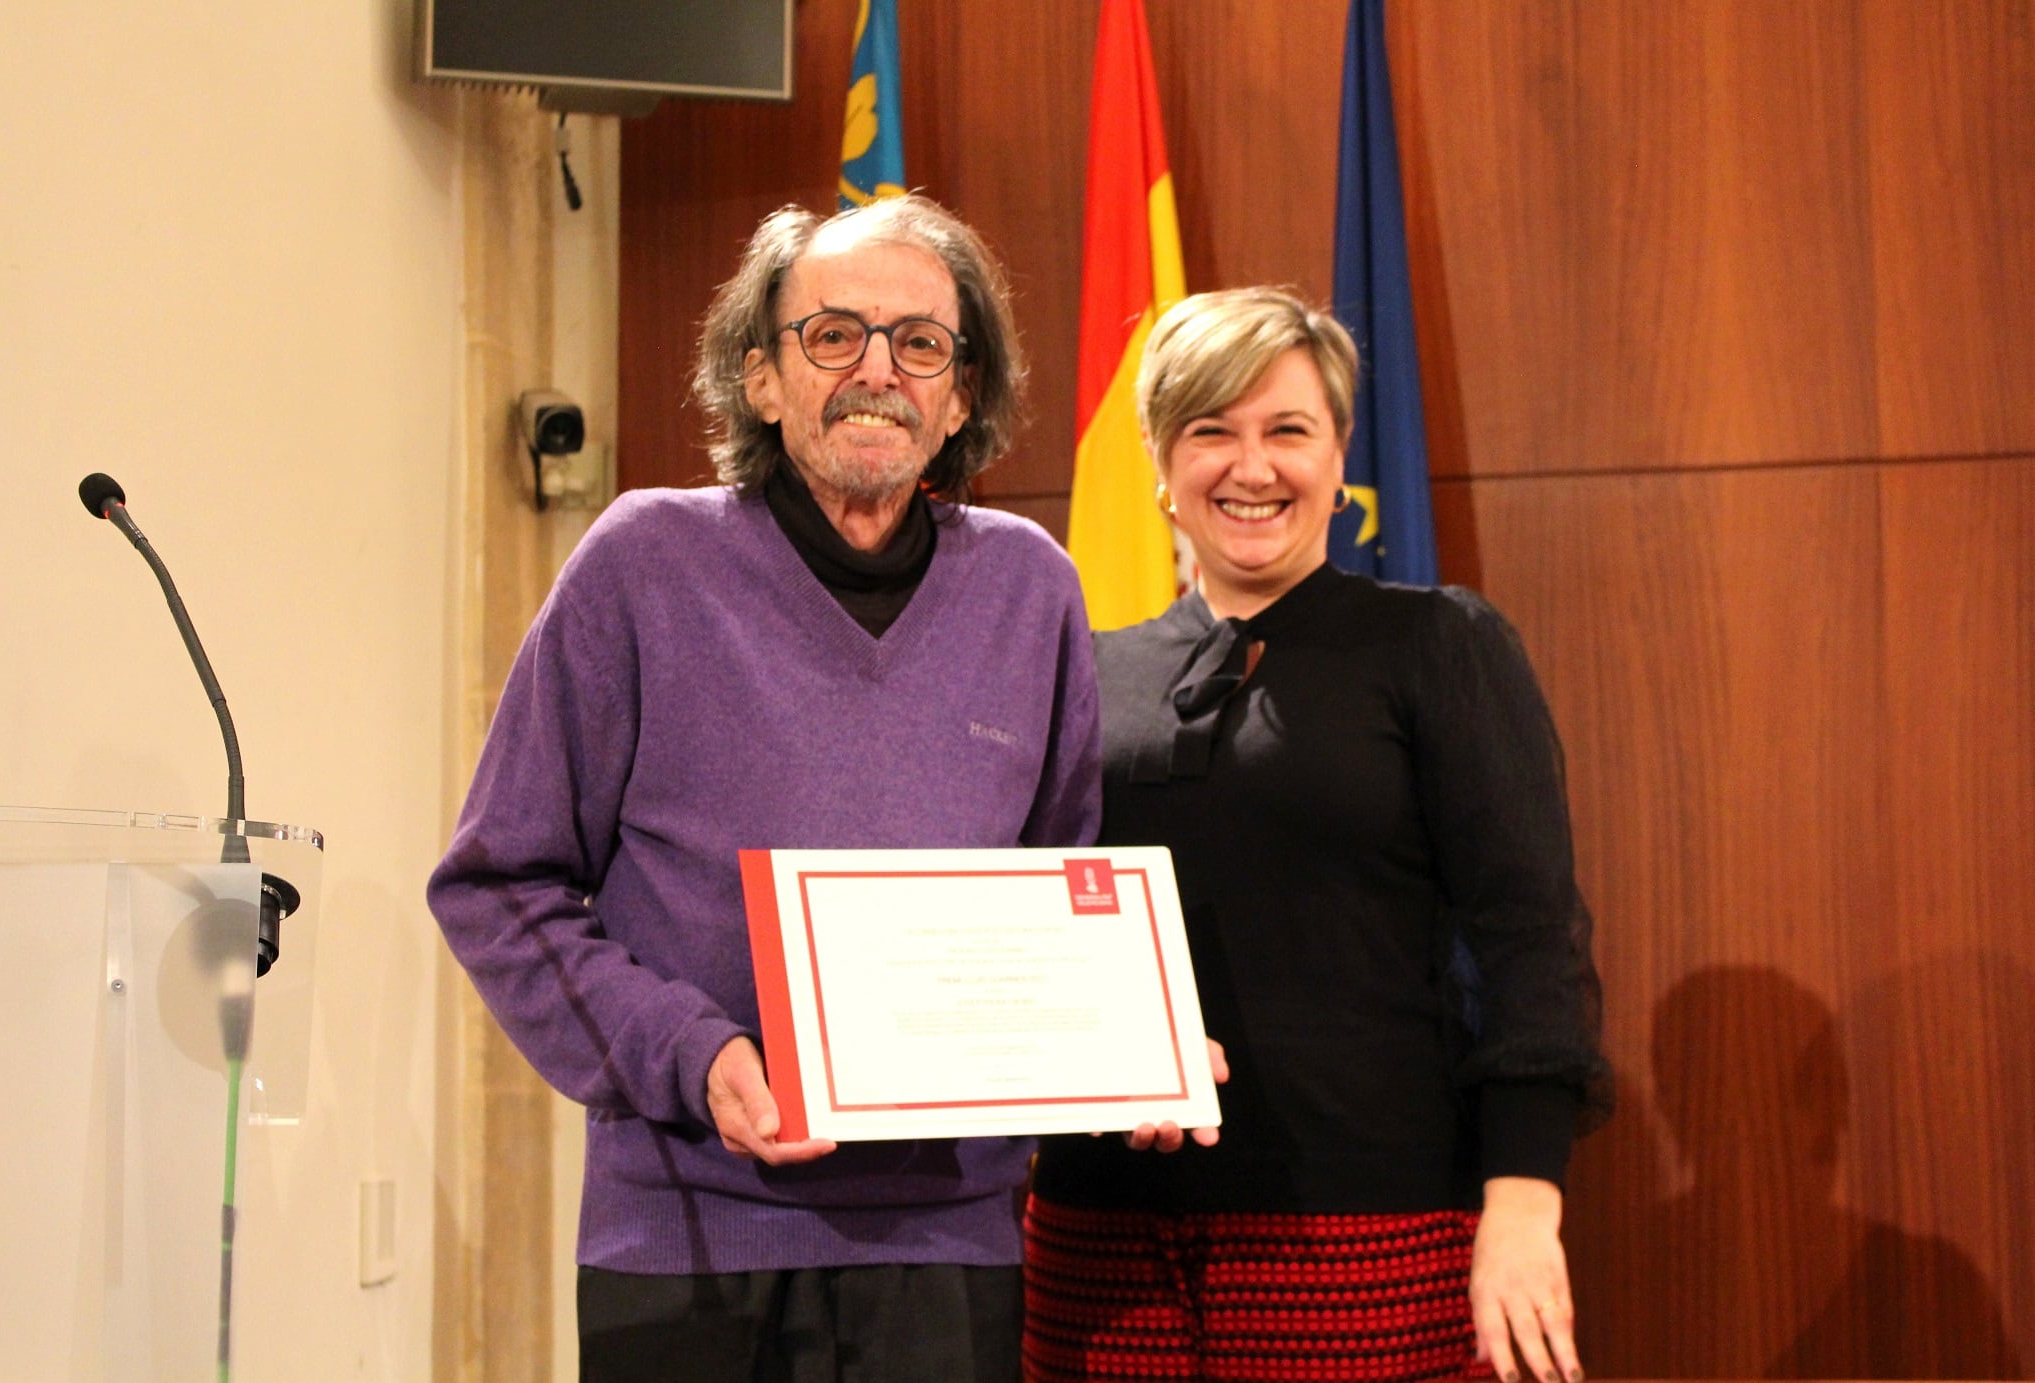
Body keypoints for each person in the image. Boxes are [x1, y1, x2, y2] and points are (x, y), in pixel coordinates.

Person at [428, 195, 1102, 1382]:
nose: (876, 372)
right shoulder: (643, 564)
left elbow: (1057, 903)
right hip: (686, 1230)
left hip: (948, 1245)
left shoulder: (1031, 592)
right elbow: (498, 883)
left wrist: (1119, 1041)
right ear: (762, 378)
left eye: (920, 344)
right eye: (833, 335)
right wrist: (690, 1055)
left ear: (960, 393)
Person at [1024, 288, 1611, 1383]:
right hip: (1099, 1244)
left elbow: (1529, 936)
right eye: (1212, 431)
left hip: (1364, 1241)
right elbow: (1022, 931)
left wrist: (1523, 1205)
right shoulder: (1075, 671)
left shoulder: (1438, 645)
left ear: (1338, 458)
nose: (1252, 467)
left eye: (1286, 431)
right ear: (1159, 464)